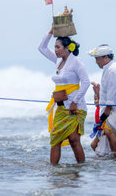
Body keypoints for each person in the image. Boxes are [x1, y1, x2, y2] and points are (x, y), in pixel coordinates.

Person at [38, 28, 90, 164]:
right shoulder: (57, 60)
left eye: (57, 47)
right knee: (55, 138)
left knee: (74, 140)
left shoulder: (77, 62)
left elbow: (86, 82)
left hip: (76, 107)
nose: (55, 50)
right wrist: (49, 32)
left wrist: (75, 102)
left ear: (67, 48)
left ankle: (81, 168)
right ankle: (53, 170)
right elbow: (41, 48)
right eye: (54, 47)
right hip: (61, 107)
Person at [87, 44, 116, 157]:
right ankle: (115, 158)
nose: (96, 62)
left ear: (106, 57)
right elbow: (107, 94)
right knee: (94, 145)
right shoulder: (108, 69)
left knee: (108, 131)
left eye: (98, 58)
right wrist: (97, 94)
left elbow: (112, 98)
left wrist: (103, 117)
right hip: (109, 110)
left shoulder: (113, 70)